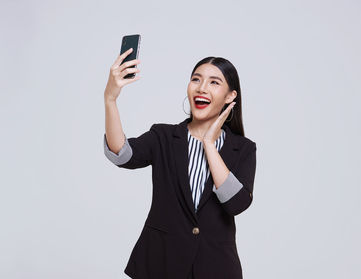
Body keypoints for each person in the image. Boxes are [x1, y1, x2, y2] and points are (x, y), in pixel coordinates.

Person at [103, 48, 257, 279]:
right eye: (196, 79)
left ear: (230, 96)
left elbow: (236, 204)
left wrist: (209, 144)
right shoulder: (163, 137)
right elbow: (122, 154)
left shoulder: (243, 148)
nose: (201, 87)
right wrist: (110, 99)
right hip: (161, 263)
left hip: (215, 268)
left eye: (214, 82)